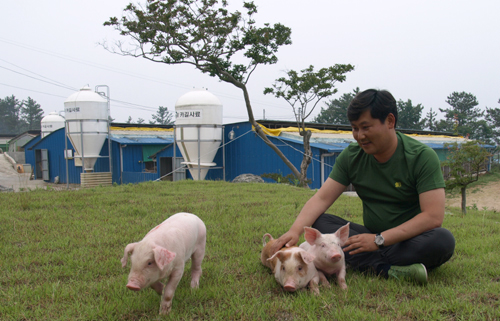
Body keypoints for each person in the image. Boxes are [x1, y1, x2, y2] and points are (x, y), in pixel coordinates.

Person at [271, 89, 455, 284]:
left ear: (390, 121)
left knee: (442, 241)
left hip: (409, 240)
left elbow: (433, 217)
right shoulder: (352, 156)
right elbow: (321, 198)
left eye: (366, 127)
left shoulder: (421, 157)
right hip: (368, 236)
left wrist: (379, 240)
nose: (359, 136)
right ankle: (387, 269)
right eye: (355, 128)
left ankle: (366, 263)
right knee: (319, 223)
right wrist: (295, 230)